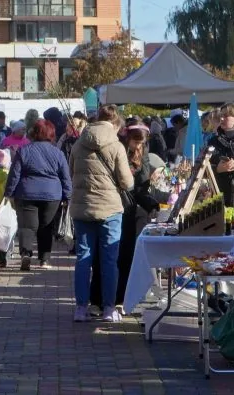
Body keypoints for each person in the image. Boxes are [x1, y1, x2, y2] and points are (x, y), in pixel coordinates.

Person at [68, 105, 133, 323]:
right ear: (115, 124)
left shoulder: (78, 144)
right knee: (109, 260)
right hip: (110, 208)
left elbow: (71, 173)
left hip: (82, 207)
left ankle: (80, 308)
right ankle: (108, 308)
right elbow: (126, 182)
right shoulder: (116, 146)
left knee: (83, 258)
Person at [4, 119, 72, 270]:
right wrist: (67, 195)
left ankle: (26, 254)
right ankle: (44, 260)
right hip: (52, 194)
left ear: (34, 133)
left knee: (27, 227)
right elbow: (65, 176)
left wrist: (9, 193)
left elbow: (14, 175)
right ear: (52, 134)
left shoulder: (24, 150)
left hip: (27, 192)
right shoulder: (58, 153)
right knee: (46, 227)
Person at [116, 121, 164, 303]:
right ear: (128, 138)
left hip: (137, 207)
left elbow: (142, 186)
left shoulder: (143, 153)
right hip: (121, 205)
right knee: (123, 254)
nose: (138, 146)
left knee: (133, 252)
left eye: (142, 143)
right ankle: (120, 296)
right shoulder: (119, 151)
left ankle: (131, 294)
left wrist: (153, 204)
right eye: (136, 142)